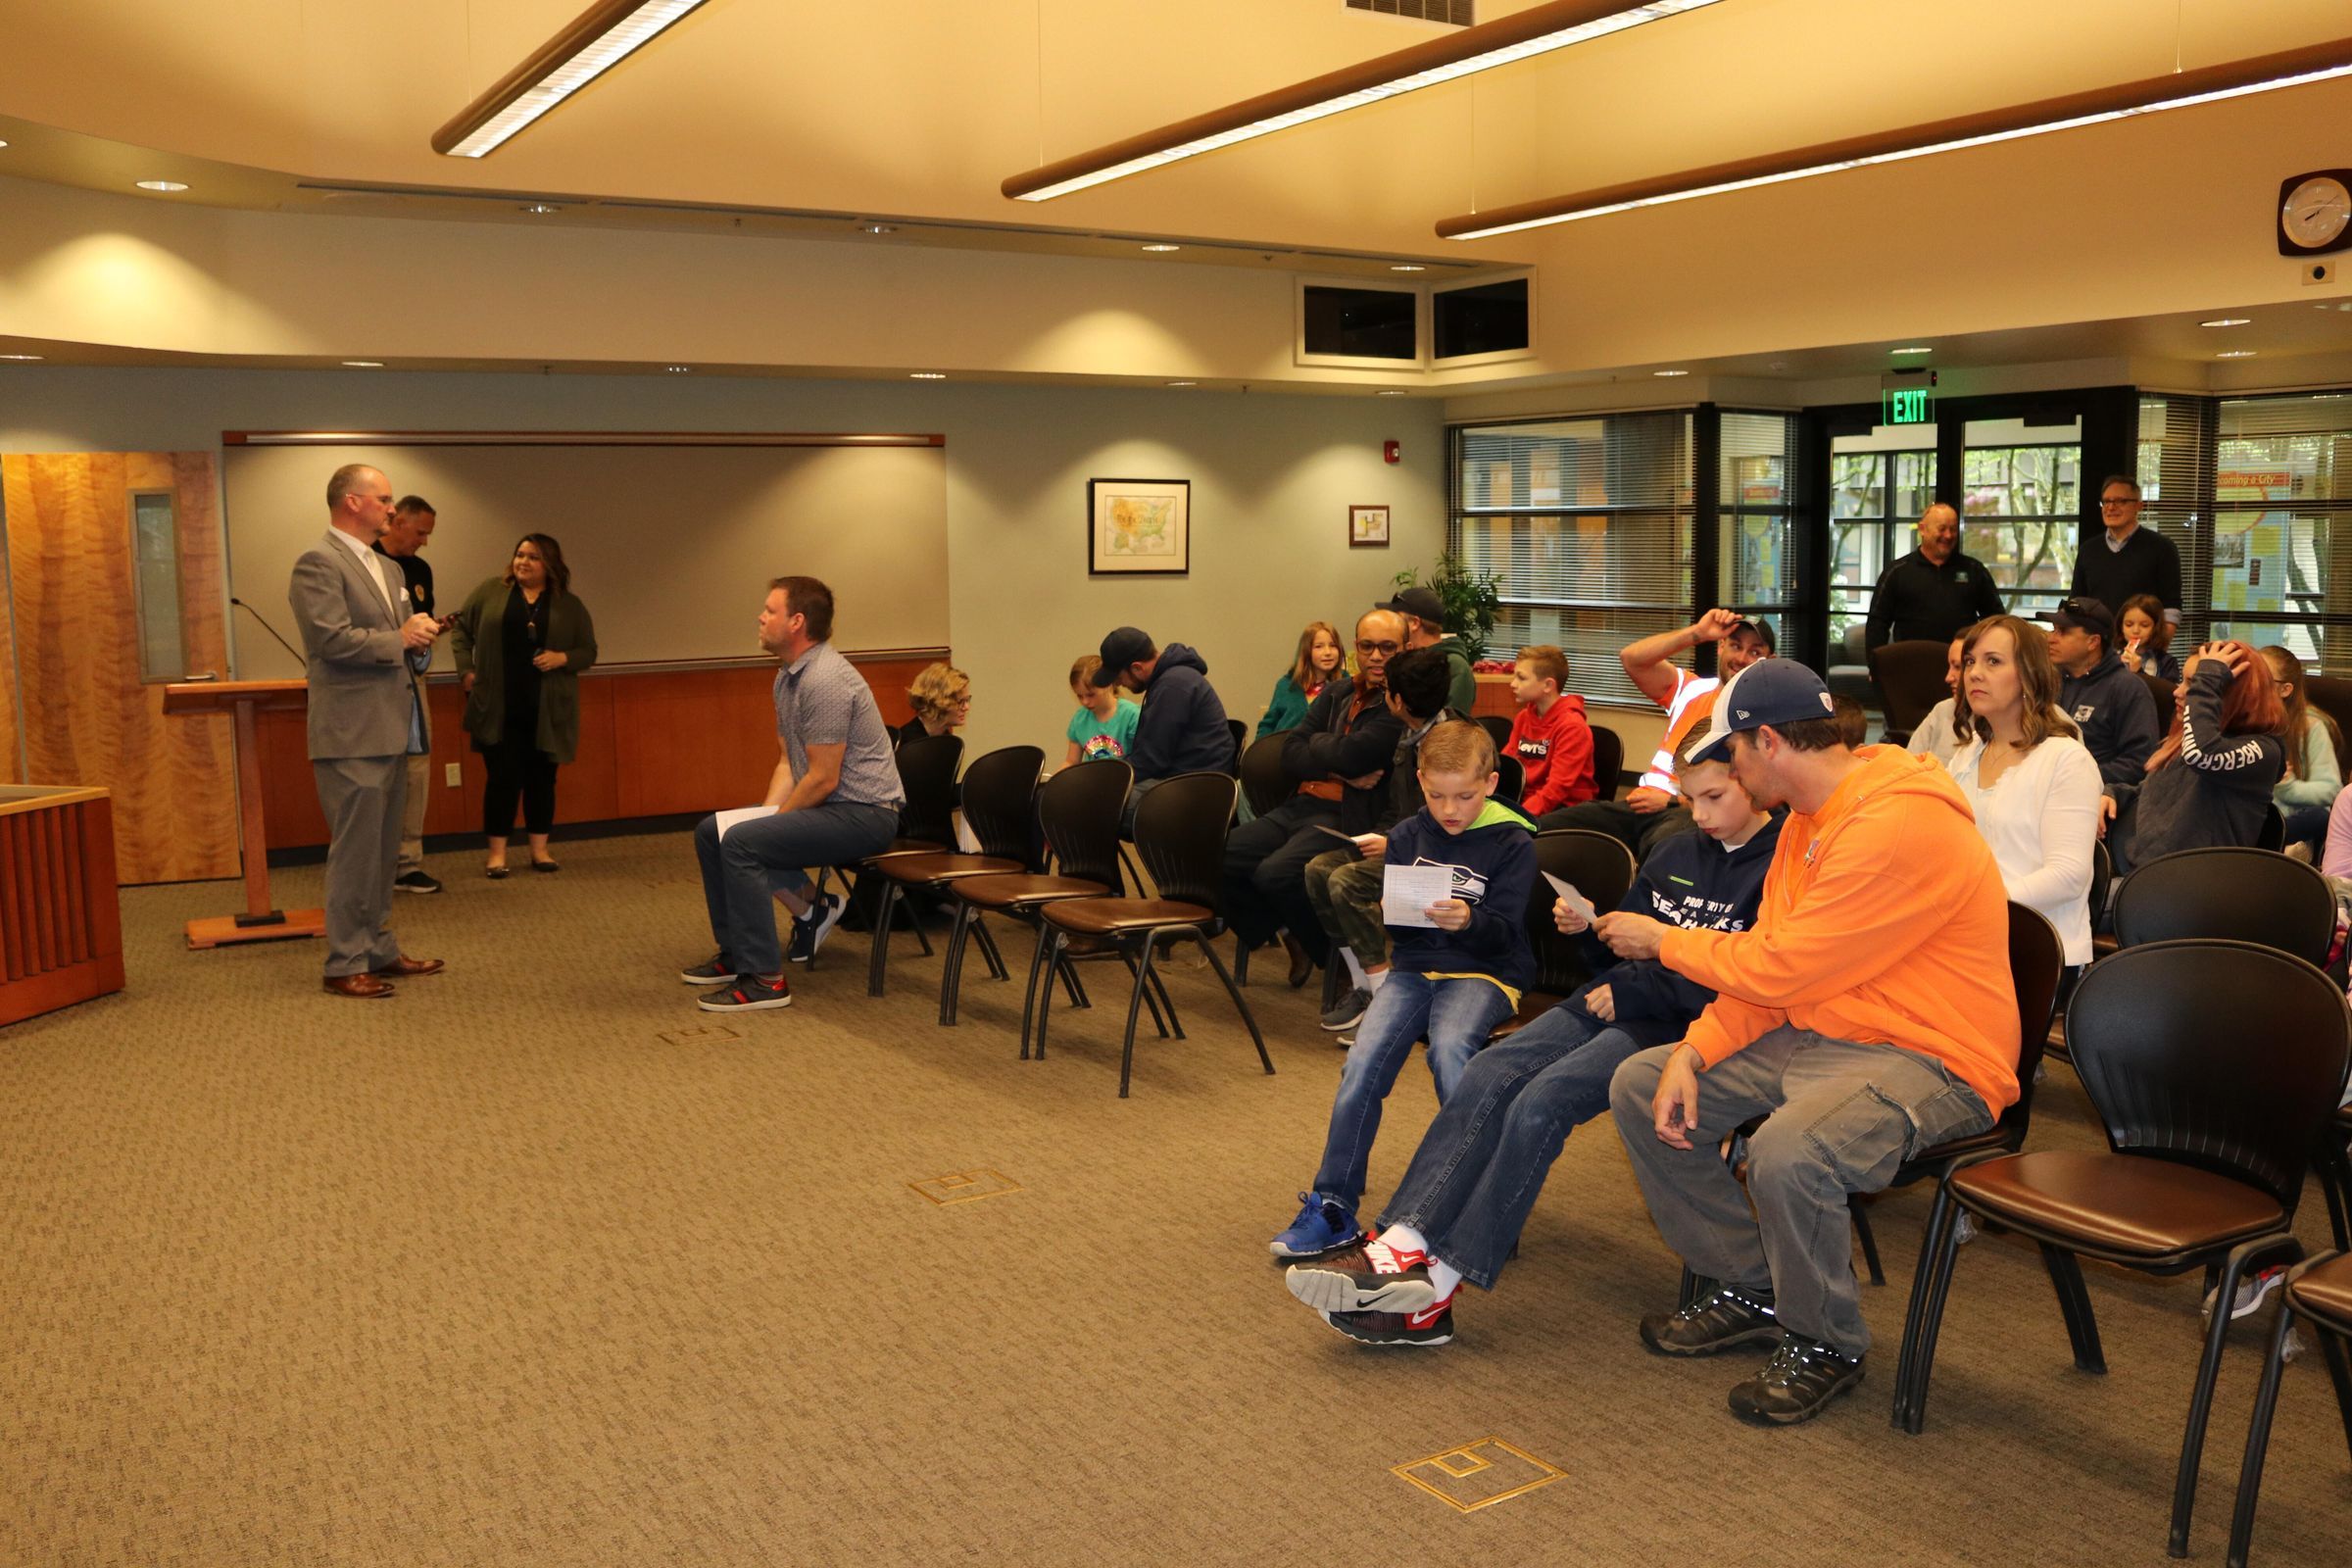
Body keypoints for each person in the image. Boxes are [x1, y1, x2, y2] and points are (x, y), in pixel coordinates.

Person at [1602, 658, 2018, 1426]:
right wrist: (1694, 1051)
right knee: (1641, 1083)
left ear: (1768, 743)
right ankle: (1755, 1285)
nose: (1730, 771)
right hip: (1822, 1027)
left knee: (1790, 1150)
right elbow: (1774, 973)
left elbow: (1782, 966)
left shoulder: (1895, 823)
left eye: (1732, 754)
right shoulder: (1805, 820)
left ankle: (1825, 1339)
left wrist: (1665, 941)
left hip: (1935, 1055)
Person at [1282, 731, 1779, 1347]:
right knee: (1491, 1071)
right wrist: (1590, 931)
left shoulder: (1778, 865)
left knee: (1542, 1100)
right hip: (1610, 998)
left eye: (1713, 797)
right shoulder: (1677, 850)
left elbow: (1750, 982)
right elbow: (1618, 954)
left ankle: (1434, 1288)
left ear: (1753, 782)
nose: (1698, 814)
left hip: (1680, 1027)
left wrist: (1637, 989)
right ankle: (1403, 1242)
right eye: (1689, 798)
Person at [1270, 720, 1537, 1259]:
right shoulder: (1409, 835)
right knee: (1361, 1065)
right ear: (1420, 782)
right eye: (1437, 796)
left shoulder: (1513, 841)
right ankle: (1334, 1205)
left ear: (1489, 784)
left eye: (1464, 796)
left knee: (1452, 1052)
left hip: (1486, 970)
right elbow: (1403, 933)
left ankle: (1481, 1204)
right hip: (1415, 967)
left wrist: (1471, 922)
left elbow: (1508, 934)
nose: (1450, 809)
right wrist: (1397, 913)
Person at [682, 576, 905, 1011]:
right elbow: (788, 762)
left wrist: (769, 825)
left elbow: (823, 779)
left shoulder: (825, 680)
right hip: (832, 807)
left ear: (797, 622)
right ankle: (735, 954)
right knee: (713, 832)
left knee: (743, 842)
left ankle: (765, 980)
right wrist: (767, 818)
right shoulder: (787, 678)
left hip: (865, 813)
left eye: (770, 611)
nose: (760, 617)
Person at [286, 464, 447, 999]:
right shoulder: (318, 562)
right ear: (352, 501)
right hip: (351, 731)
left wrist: (419, 641)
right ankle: (344, 962)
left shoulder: (390, 569)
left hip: (393, 726)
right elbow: (330, 640)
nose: (392, 509)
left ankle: (377, 948)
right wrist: (399, 638)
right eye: (384, 499)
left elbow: (397, 641)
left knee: (382, 852)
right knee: (355, 852)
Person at [1223, 610, 1406, 987]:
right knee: (1219, 855)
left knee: (1275, 873)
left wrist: (1320, 746)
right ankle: (1293, 932)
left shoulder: (1399, 704)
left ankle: (1337, 962)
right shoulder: (1338, 692)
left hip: (1346, 814)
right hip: (1301, 803)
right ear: (1355, 648)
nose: (1376, 656)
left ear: (1404, 649)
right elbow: (1289, 752)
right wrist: (1339, 769)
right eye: (1368, 646)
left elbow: (1356, 753)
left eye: (1387, 647)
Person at [1305, 646, 1459, 1034]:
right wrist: (1384, 835)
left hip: (1440, 858)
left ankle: (1385, 1002)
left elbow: (1453, 825)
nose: (1383, 694)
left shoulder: (1452, 747)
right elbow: (1398, 809)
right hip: (1406, 844)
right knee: (1318, 870)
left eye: (1388, 689)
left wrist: (1393, 843)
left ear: (1399, 701)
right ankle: (1364, 984)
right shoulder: (1410, 734)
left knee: (1347, 882)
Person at [1538, 610, 1773, 858]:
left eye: (1755, 652)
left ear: (1769, 661)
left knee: (1659, 852)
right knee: (1545, 829)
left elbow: (1751, 795)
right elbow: (1632, 658)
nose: (1742, 658)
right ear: (1721, 646)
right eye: (1736, 646)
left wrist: (1673, 801)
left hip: (1685, 812)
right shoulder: (1692, 689)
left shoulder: (1764, 718)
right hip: (1637, 806)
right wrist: (1698, 633)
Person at [1945, 615, 2102, 966]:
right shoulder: (1967, 754)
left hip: (2036, 951)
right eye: (1970, 661)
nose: (1974, 673)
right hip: (1966, 940)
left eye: (1993, 661)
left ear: (2029, 676)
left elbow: (2069, 876)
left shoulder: (2066, 760)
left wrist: (1979, 904)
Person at [450, 535, 599, 878]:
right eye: (519, 555)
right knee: (501, 780)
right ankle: (497, 855)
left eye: (533, 557)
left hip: (547, 710)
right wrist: (466, 671)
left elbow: (588, 651)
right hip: (498, 708)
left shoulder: (568, 604)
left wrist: (563, 658)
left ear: (550, 564)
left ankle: (540, 851)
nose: (523, 562)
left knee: (542, 781)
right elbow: (460, 632)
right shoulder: (490, 592)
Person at [2102, 641, 2287, 877]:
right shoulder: (2191, 740)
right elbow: (2154, 793)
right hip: (2144, 875)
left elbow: (2200, 755)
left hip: (2194, 887)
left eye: (2193, 682)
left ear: (2230, 691)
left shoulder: (2264, 750)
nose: (2177, 692)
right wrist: (2114, 793)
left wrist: (2207, 680)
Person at [1093, 626, 1236, 824]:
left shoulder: (1173, 686)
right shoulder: (1171, 680)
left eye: (1119, 678)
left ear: (1137, 668)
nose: (1118, 684)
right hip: (1185, 778)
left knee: (1097, 803)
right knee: (1097, 795)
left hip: (1197, 789)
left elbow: (1151, 759)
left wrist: (1104, 777)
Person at [376, 495, 443, 895]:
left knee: (416, 769)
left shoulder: (420, 569)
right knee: (377, 770)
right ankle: (375, 863)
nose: (424, 541)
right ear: (398, 521)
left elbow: (423, 620)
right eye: (420, 532)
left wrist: (431, 632)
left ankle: (408, 863)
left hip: (413, 678)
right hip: (372, 681)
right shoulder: (365, 560)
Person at [2041, 596, 2159, 790]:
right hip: (2044, 786)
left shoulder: (2127, 689)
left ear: (2093, 642)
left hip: (2096, 794)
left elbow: (2139, 762)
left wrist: (2077, 777)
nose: (2051, 638)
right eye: (2053, 630)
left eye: (2062, 632)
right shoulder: (2049, 681)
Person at [1863, 503, 2004, 650]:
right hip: (1911, 660)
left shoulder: (1974, 570)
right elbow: (1877, 624)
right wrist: (1876, 662)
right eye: (1942, 529)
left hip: (1961, 660)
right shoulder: (1897, 572)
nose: (1948, 535)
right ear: (1922, 529)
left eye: (1953, 529)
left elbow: (1996, 620)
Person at [2070, 475, 2181, 627]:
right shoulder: (2088, 550)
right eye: (2106, 501)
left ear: (2139, 506)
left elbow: (2171, 608)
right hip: (2096, 640)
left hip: (2141, 641)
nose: (2111, 507)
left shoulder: (2162, 548)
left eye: (2120, 501)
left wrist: (2159, 642)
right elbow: (2076, 603)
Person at [2262, 646, 2341, 857]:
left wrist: (2288, 787)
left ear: (2285, 689)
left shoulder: (2311, 727)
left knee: (2320, 817)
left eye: (2263, 679)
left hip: (2293, 816)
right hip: (2256, 814)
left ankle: (2283, 846)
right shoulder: (2242, 721)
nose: (2254, 685)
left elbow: (2331, 790)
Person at [1505, 644, 1595, 817]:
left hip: (1564, 808)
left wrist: (1518, 816)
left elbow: (1557, 788)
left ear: (1548, 685)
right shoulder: (1524, 717)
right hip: (1528, 800)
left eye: (1521, 678)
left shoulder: (1572, 726)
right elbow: (1508, 765)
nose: (1513, 684)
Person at [1378, 586, 1477, 716]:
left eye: (1397, 619)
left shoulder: (1455, 666)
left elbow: (1452, 723)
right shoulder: (1405, 660)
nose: (1393, 624)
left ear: (1414, 623)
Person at [1256, 622, 1345, 740]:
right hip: (1283, 747)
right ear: (1306, 650)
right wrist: (1261, 748)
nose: (1328, 652)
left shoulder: (1347, 685)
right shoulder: (1286, 685)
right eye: (1319, 646)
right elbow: (1268, 725)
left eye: (1333, 645)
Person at [1903, 628, 1971, 767]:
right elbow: (1907, 767)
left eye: (1958, 667)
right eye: (1950, 666)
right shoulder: (1944, 710)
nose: (1948, 678)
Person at [1063, 655, 1139, 765]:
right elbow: (1071, 761)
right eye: (1080, 696)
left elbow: (1141, 761)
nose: (1085, 702)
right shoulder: (1080, 719)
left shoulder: (1131, 715)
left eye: (1091, 695)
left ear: (1107, 684)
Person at [897, 662, 970, 747]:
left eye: (967, 700)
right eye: (960, 702)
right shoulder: (908, 743)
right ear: (939, 702)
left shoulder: (948, 742)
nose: (966, 707)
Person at [2119, 594, 2180, 681]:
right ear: (2121, 627)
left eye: (2144, 625)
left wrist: (2139, 672)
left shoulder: (2167, 662)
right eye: (2129, 625)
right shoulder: (2111, 658)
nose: (2135, 631)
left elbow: (2168, 689)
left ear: (2156, 627)